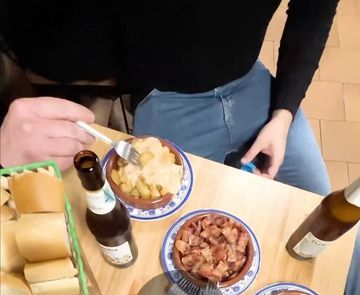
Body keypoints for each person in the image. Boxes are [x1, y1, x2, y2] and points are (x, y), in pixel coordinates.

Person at [1, 1, 338, 195]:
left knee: (334, 229)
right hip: (162, 97)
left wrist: (284, 114)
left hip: (255, 88)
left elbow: (314, 12)